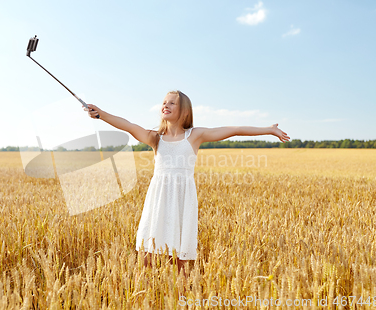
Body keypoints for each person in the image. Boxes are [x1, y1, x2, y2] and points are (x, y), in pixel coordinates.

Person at [83, 90, 290, 276]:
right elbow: (128, 125)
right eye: (164, 102)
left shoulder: (195, 135)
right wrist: (101, 114)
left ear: (184, 111)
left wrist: (269, 129)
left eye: (172, 103)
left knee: (181, 257)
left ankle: (181, 296)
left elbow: (233, 129)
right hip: (159, 197)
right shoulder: (155, 138)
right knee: (148, 254)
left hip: (183, 198)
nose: (166, 105)